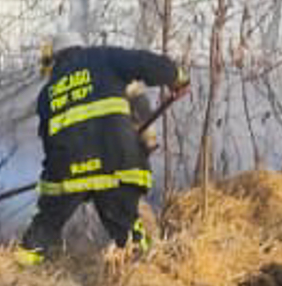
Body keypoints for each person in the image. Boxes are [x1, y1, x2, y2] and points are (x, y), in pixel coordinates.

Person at [16, 31, 186, 266]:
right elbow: (144, 63)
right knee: (128, 232)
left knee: (43, 229)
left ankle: (19, 276)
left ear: (54, 58)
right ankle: (146, 273)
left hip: (68, 174)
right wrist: (176, 76)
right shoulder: (103, 57)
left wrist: (55, 181)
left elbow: (49, 145)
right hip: (115, 167)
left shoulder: (47, 93)